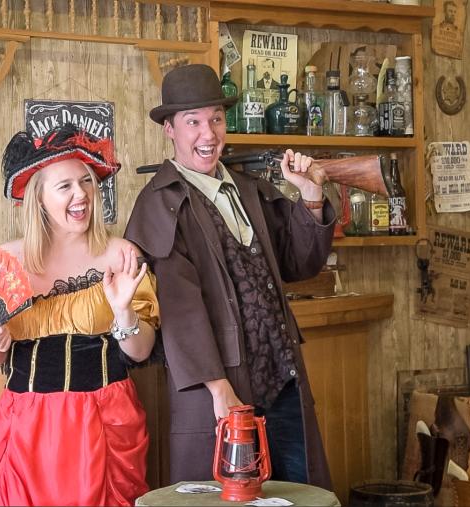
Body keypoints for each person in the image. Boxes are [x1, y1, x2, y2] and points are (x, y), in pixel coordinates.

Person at [125, 64, 334, 489]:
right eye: (193, 122)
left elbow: (299, 263)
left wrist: (310, 195)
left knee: (298, 494)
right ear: (170, 129)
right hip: (222, 391)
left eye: (216, 119)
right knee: (229, 496)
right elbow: (180, 311)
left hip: (283, 378)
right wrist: (218, 389)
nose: (209, 133)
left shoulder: (248, 188)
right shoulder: (158, 205)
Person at [0, 124, 159, 506]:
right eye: (66, 186)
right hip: (26, 423)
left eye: (86, 182)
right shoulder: (3, 263)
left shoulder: (121, 254)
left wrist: (123, 312)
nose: (82, 195)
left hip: (106, 418)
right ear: (39, 198)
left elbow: (140, 353)